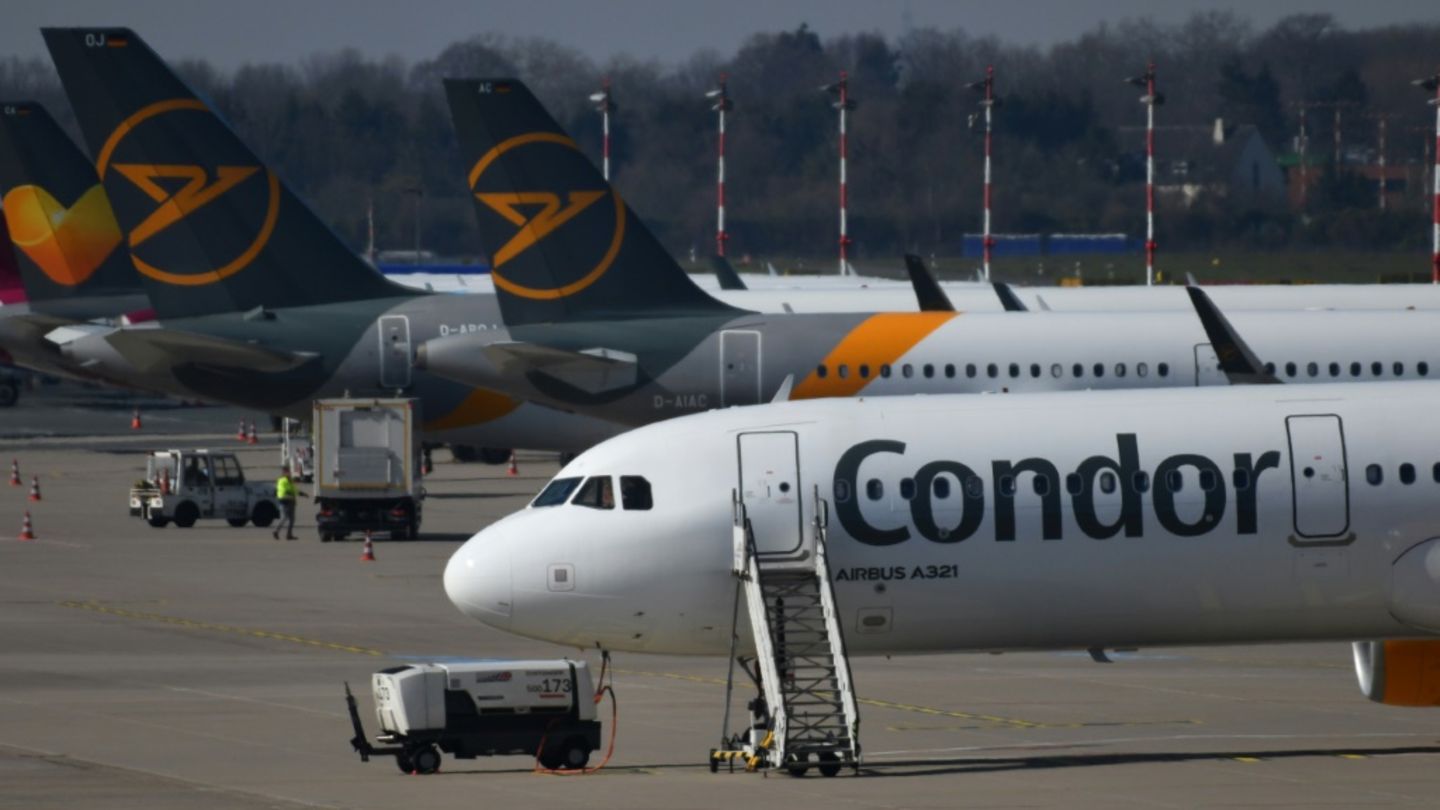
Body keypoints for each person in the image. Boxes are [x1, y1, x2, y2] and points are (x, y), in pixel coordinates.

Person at [273, 467, 306, 540]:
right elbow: (283, 490)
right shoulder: (283, 480)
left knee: (291, 519)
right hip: (286, 500)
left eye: (289, 472)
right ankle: (277, 531)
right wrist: (290, 493)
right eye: (287, 472)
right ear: (284, 472)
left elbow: (294, 490)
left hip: (290, 500)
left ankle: (288, 534)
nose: (289, 473)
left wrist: (302, 494)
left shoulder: (289, 480)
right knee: (285, 517)